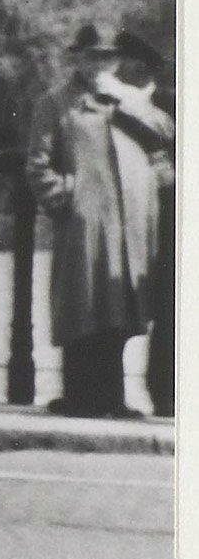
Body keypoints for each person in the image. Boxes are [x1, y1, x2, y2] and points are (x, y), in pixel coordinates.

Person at [29, 25, 163, 419]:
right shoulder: (55, 104)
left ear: (116, 61)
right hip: (84, 222)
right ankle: (80, 398)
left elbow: (164, 136)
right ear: (78, 59)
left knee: (120, 308)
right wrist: (65, 199)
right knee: (83, 307)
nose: (99, 65)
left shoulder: (130, 99)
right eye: (92, 56)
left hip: (128, 223)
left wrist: (126, 99)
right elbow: (38, 163)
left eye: (107, 57)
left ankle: (113, 400)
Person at [116, 26, 177, 418]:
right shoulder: (119, 105)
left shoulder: (164, 106)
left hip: (167, 219)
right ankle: (149, 392)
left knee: (170, 307)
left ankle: (164, 394)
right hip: (143, 219)